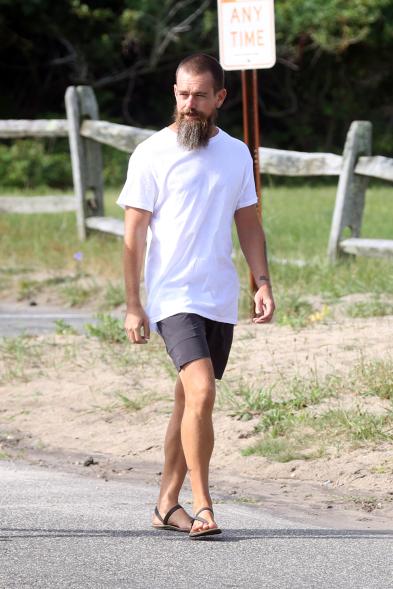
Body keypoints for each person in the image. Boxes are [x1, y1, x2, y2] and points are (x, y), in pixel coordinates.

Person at [117, 53, 275, 539]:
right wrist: (134, 303)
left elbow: (248, 222)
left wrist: (262, 280)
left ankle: (167, 503)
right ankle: (204, 506)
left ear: (220, 98)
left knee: (189, 400)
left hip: (218, 296)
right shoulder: (151, 153)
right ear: (175, 92)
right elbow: (134, 233)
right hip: (172, 296)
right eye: (183, 94)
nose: (190, 104)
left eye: (200, 95)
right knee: (202, 392)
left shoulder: (236, 154)